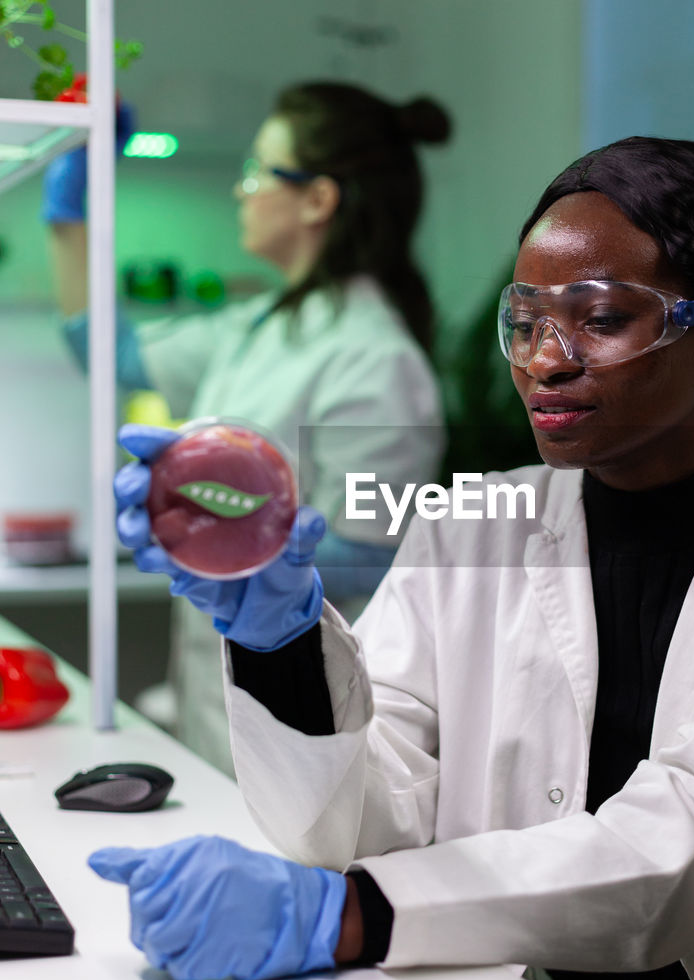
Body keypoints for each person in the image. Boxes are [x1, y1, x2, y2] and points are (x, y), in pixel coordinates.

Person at [97, 137, 694, 980]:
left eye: (599, 319)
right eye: (526, 319)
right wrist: (279, 640)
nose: (545, 357)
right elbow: (362, 824)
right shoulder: (471, 526)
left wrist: (346, 915)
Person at [43, 81, 449, 773]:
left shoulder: (377, 358)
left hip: (305, 717)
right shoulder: (258, 328)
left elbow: (378, 559)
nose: (242, 190)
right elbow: (106, 352)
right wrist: (68, 217)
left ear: (318, 199)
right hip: (218, 710)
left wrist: (223, 544)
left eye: (258, 171)